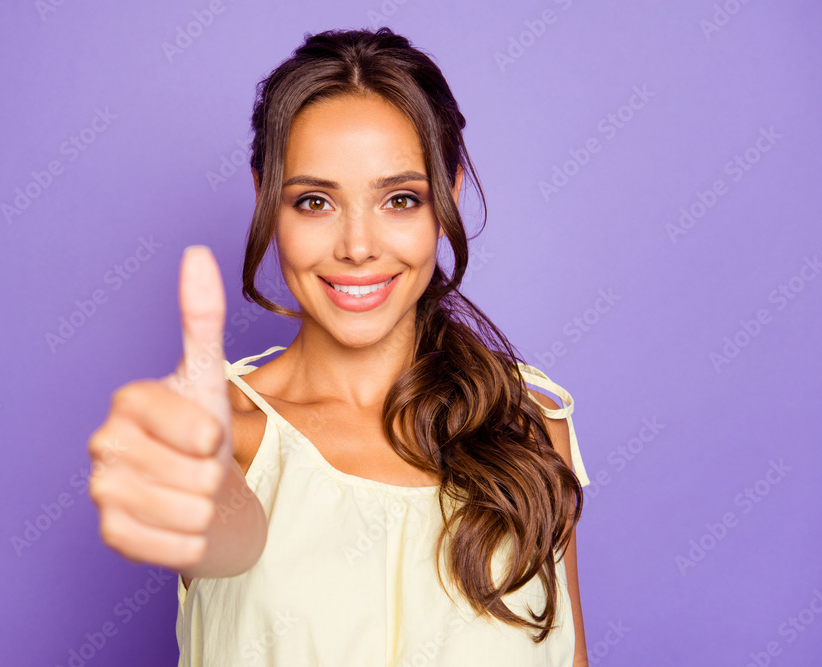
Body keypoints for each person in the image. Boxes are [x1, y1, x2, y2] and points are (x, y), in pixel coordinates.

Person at [88, 27, 592, 666]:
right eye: (315, 201)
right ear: (267, 201)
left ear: (450, 197)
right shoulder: (219, 438)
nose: (358, 246)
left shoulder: (525, 426)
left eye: (400, 199)